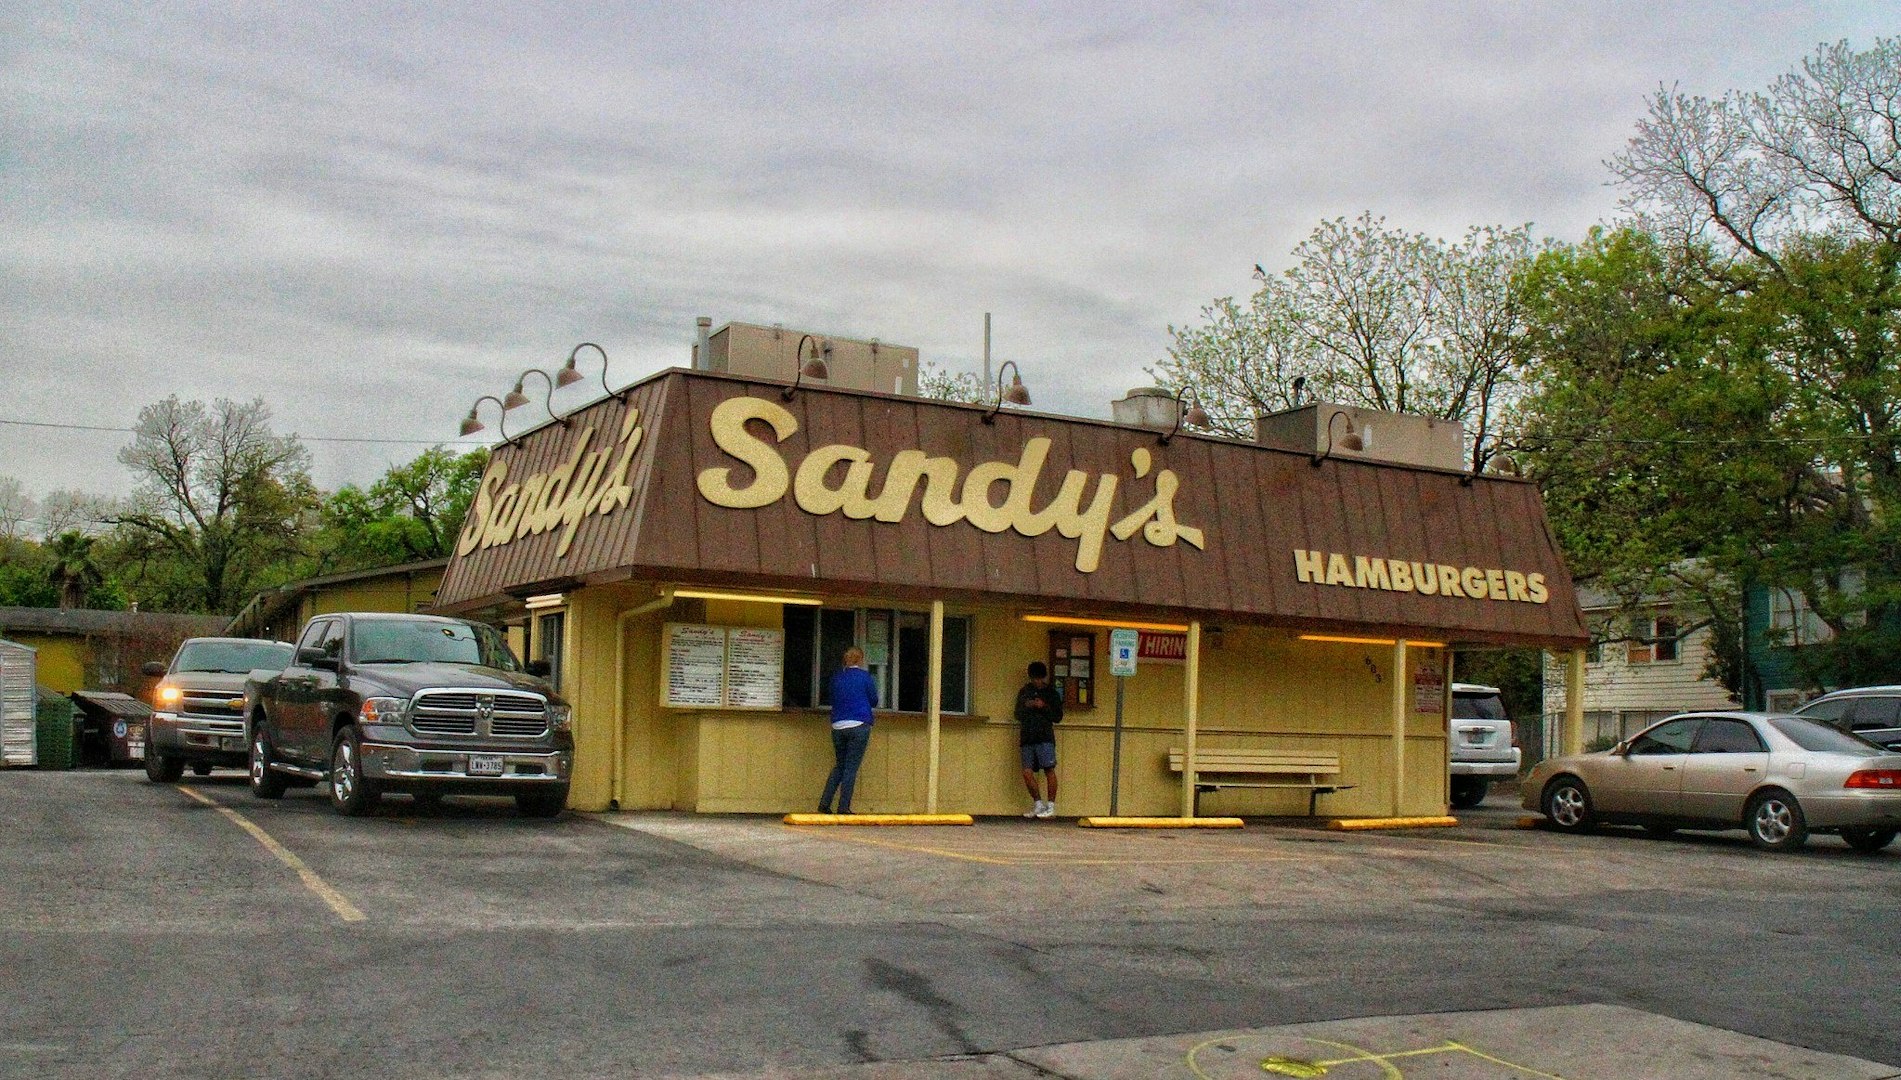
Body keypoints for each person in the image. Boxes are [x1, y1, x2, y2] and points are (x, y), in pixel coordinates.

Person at [818, 646, 878, 814]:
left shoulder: (837, 678)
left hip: (838, 725)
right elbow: (874, 700)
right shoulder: (865, 677)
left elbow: (831, 698)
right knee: (851, 768)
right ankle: (843, 807)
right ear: (860, 660)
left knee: (840, 765)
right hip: (859, 724)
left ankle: (824, 804)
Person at [1015, 660, 1063, 818]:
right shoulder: (1024, 692)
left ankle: (1051, 806)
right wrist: (1027, 705)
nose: (1037, 681)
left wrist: (1044, 707)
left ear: (1044, 677)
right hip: (1027, 736)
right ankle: (1038, 804)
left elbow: (1058, 717)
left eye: (1039, 678)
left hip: (1044, 736)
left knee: (1049, 769)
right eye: (1034, 678)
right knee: (1027, 772)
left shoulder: (1051, 693)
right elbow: (1017, 714)